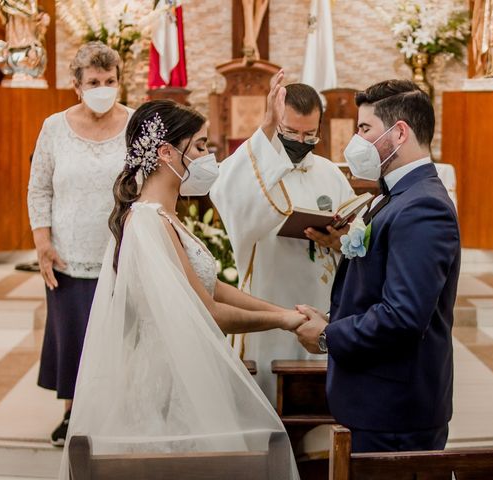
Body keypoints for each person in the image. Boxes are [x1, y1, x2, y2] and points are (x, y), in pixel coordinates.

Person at [58, 100, 303, 479]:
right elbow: (208, 310)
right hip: (167, 386)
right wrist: (286, 321)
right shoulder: (148, 222)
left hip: (186, 372)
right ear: (167, 152)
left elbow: (214, 286)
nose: (209, 158)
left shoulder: (165, 216)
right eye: (201, 146)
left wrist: (283, 310)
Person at [295, 80, 461, 453]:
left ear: (399, 132)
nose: (355, 140)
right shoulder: (397, 195)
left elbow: (403, 316)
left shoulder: (423, 207)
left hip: (395, 410)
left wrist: (329, 335)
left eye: (364, 128)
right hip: (378, 402)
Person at [210, 70, 354, 401]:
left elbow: (355, 230)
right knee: (266, 398)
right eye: (290, 132)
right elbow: (226, 193)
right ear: (276, 123)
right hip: (268, 302)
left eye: (310, 135)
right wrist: (263, 127)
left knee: (318, 404)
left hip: (321, 306)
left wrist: (340, 237)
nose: (300, 142)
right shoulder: (253, 167)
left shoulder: (330, 173)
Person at [27, 41, 133, 447]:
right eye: (94, 81)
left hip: (119, 250)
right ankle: (72, 412)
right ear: (77, 85)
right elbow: (39, 189)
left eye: (109, 81)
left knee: (118, 335)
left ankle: (117, 412)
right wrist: (42, 241)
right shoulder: (54, 127)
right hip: (68, 252)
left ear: (120, 82)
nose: (102, 87)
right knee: (71, 332)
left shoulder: (136, 123)